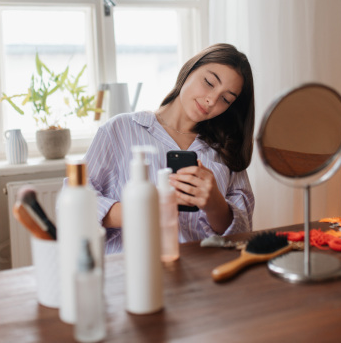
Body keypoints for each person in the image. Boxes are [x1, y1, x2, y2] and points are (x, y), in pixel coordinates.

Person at [84, 43, 256, 254]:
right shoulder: (118, 130)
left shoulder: (226, 149)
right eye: (209, 82)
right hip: (130, 271)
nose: (212, 100)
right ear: (189, 69)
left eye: (226, 99)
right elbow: (78, 207)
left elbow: (244, 233)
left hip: (204, 274)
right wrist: (147, 208)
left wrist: (215, 205)